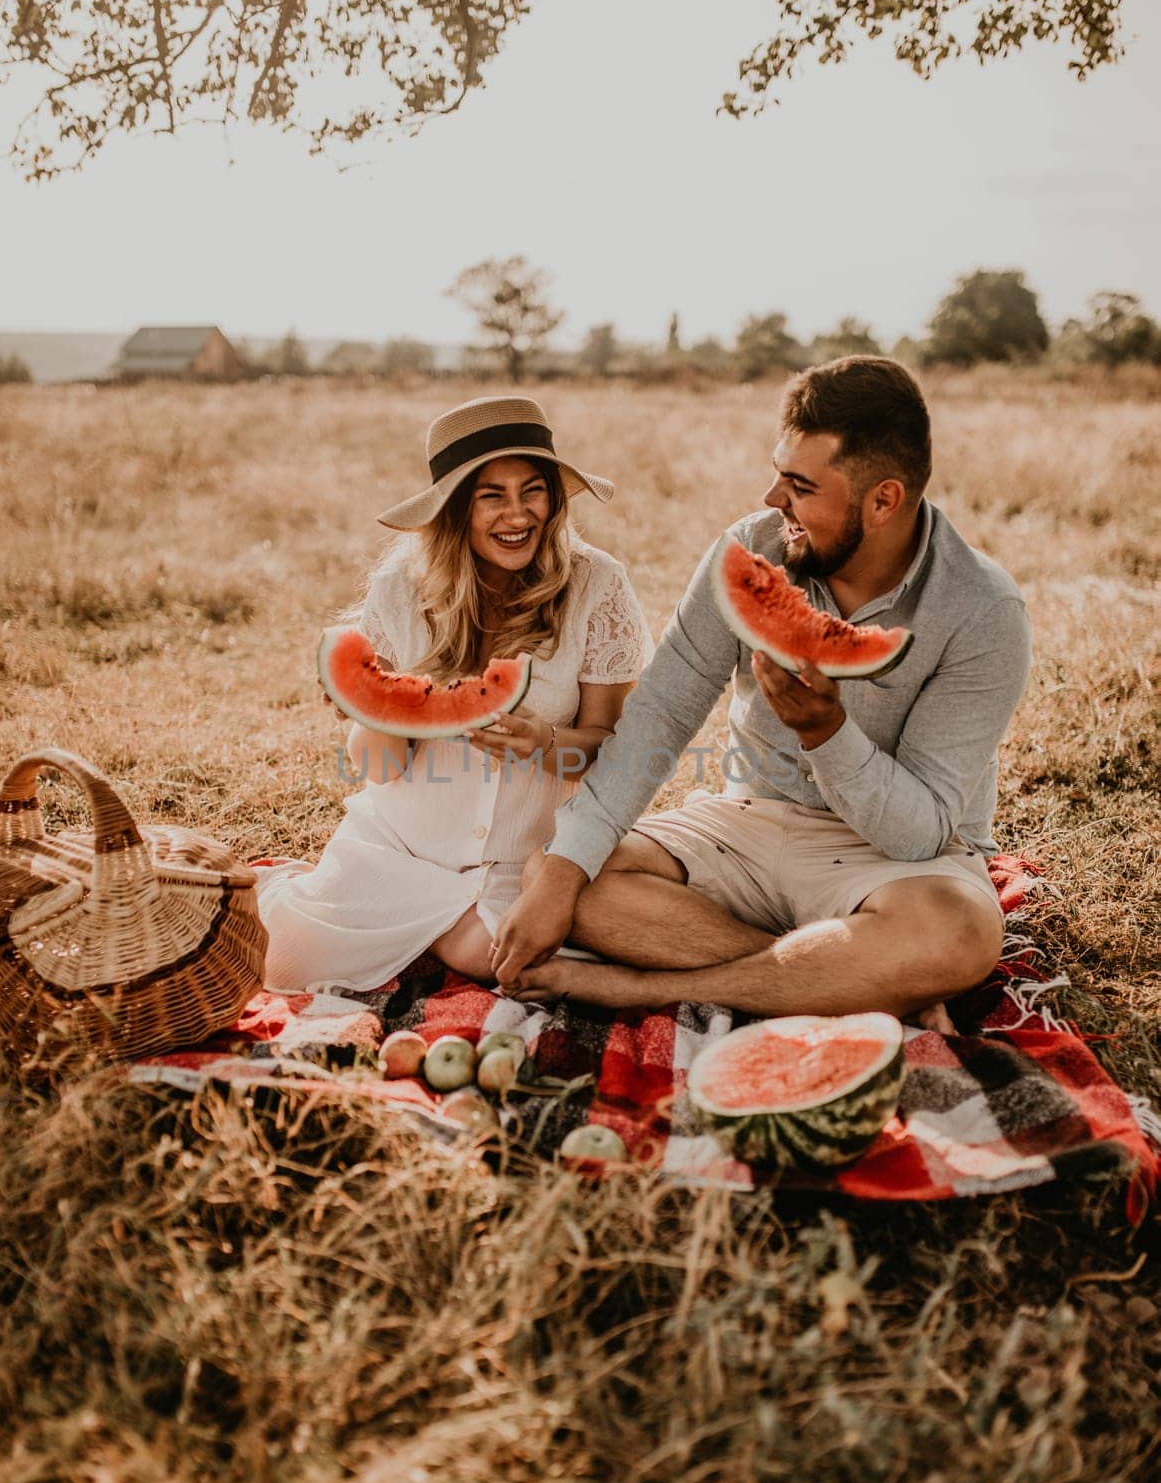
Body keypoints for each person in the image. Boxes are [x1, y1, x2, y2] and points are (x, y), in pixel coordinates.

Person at [491, 356, 1033, 1023]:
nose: (772, 499)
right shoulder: (750, 549)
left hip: (896, 863)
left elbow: (918, 833)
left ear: (883, 500)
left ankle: (639, 988)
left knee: (956, 938)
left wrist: (826, 735)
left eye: (799, 485)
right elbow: (659, 713)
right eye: (778, 473)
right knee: (565, 875)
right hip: (750, 823)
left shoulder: (982, 610)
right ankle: (853, 976)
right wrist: (562, 872)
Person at [255, 395, 653, 993]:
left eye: (533, 490)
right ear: (455, 507)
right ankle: (428, 925)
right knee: (285, 963)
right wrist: (376, 709)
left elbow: (608, 751)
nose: (517, 515)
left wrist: (543, 743)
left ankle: (440, 935)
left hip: (525, 861)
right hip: (399, 852)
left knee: (515, 963)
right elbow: (377, 767)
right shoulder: (399, 588)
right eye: (491, 495)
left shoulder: (598, 585)